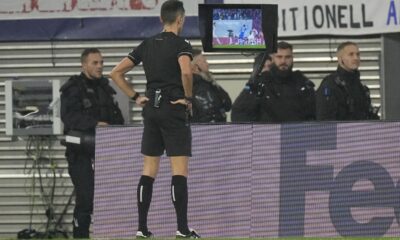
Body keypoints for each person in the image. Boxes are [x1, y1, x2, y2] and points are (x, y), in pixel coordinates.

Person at [109, 0, 200, 238]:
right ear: (180, 19)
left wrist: (136, 96)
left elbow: (115, 72)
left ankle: (141, 228)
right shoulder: (182, 43)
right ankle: (181, 229)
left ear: (161, 19)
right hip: (173, 108)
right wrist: (188, 98)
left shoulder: (146, 44)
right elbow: (186, 71)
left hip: (151, 109)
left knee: (149, 169)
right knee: (178, 170)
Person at [60, 48, 124, 238]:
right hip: (80, 154)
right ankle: (81, 235)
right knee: (86, 199)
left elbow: (116, 118)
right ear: (84, 65)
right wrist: (95, 124)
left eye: (102, 62)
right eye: (95, 63)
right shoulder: (73, 88)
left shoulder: (105, 88)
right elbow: (69, 117)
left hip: (105, 153)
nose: (100, 66)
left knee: (107, 199)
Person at [316, 41, 379, 120]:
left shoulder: (360, 87)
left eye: (358, 54)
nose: (356, 58)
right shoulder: (330, 85)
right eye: (351, 54)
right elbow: (324, 120)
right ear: (340, 59)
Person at [191, 49, 232, 123]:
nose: (207, 64)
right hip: (207, 130)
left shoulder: (209, 83)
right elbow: (209, 113)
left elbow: (228, 104)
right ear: (195, 67)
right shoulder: (199, 87)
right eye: (204, 61)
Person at [231, 52, 272, 122]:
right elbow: (237, 111)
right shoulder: (251, 87)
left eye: (269, 67)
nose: (266, 70)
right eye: (263, 67)